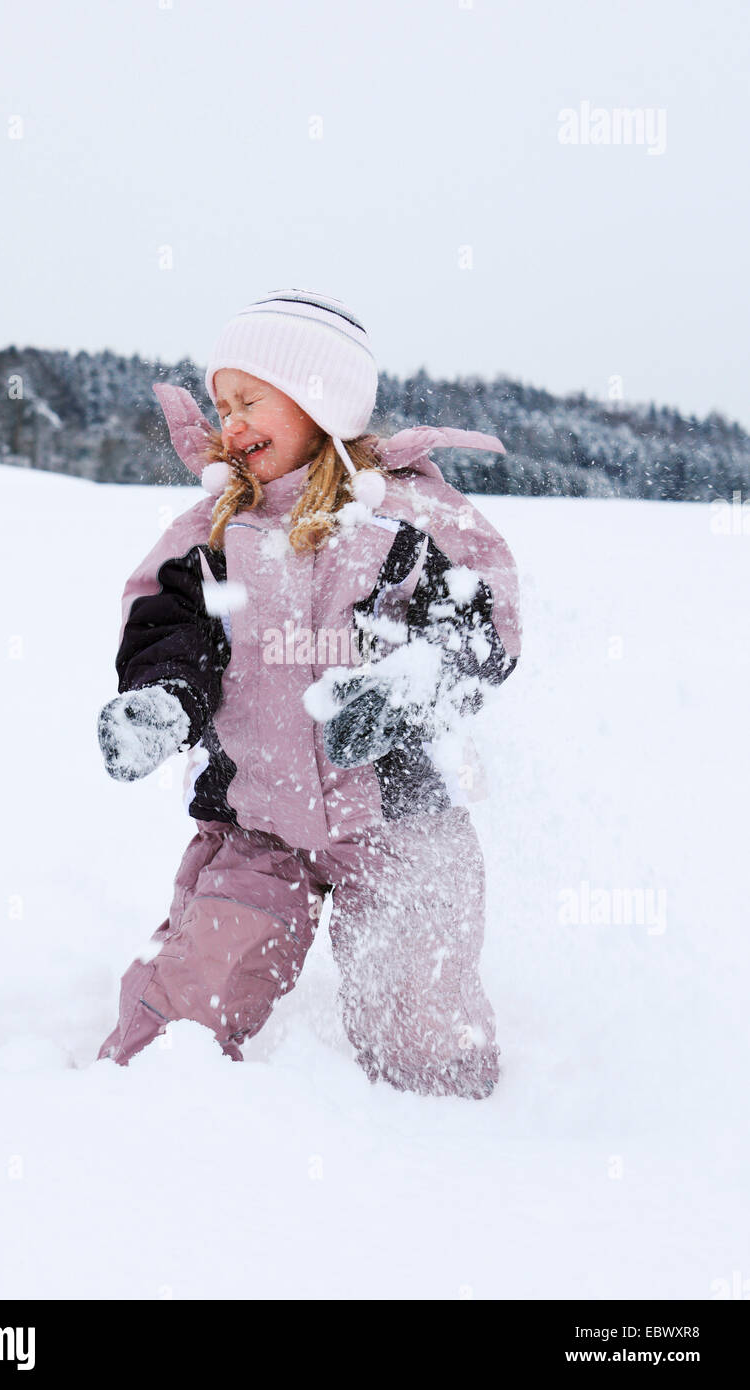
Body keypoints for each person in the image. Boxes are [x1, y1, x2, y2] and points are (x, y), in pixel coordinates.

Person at [95, 288, 521, 1098]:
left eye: (250, 399)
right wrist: (163, 699)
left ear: (318, 402)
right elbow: (168, 630)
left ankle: (455, 1137)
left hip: (399, 818)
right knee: (197, 982)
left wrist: (408, 687)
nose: (230, 423)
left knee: (422, 1011)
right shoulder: (213, 533)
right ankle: (135, 1106)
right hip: (257, 817)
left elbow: (482, 625)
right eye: (222, 404)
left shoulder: (409, 519)